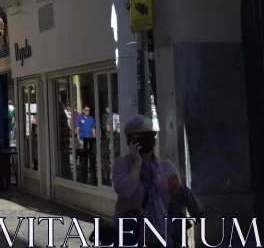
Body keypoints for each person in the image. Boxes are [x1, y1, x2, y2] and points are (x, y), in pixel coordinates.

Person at [113, 115, 203, 247]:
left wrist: (177, 189)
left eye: (152, 134)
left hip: (163, 234)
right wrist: (137, 163)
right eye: (143, 136)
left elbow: (176, 203)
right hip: (133, 233)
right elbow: (125, 193)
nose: (149, 139)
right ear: (131, 140)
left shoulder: (166, 166)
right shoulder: (122, 164)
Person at [75, 105, 97, 183]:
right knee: (84, 156)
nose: (87, 111)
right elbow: (77, 128)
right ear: (83, 110)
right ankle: (83, 170)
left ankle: (91, 170)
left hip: (90, 140)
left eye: (89, 110)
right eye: (86, 110)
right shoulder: (80, 117)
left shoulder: (91, 118)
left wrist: (95, 138)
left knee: (91, 155)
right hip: (82, 139)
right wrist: (77, 138)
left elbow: (93, 128)